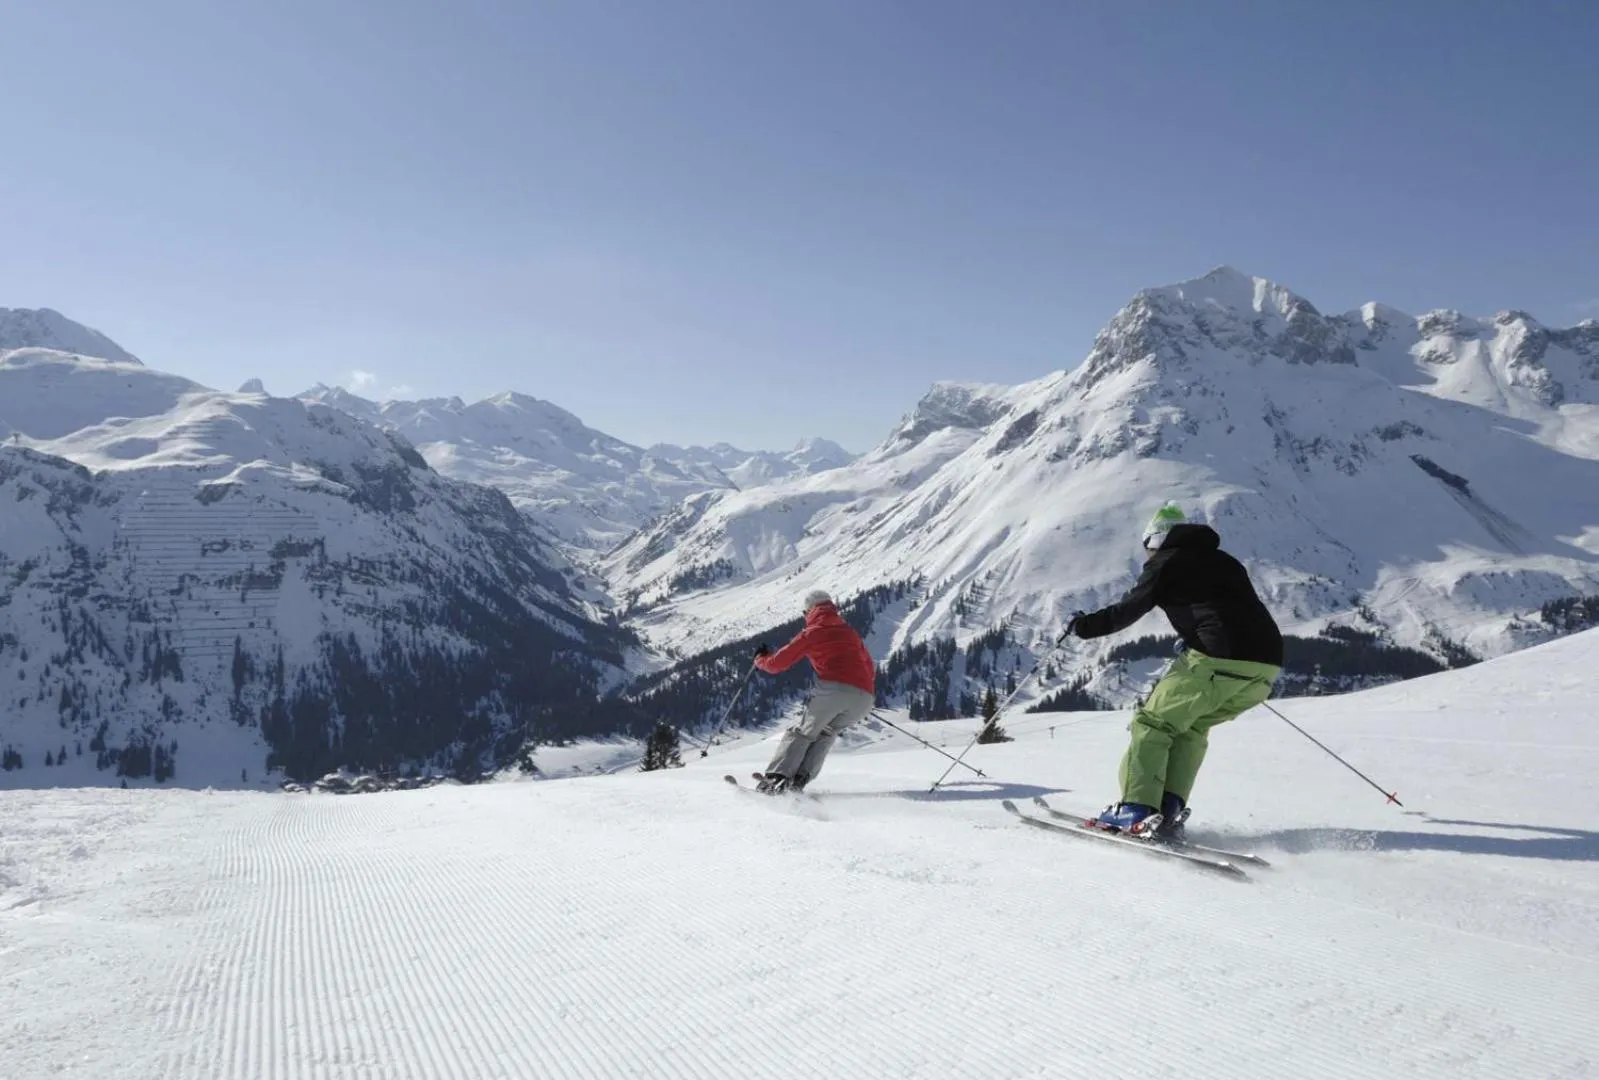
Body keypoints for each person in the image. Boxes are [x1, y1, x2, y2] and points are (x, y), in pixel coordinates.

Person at [1066, 504, 1282, 837]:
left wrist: (1082, 626)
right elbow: (1225, 610)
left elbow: (1128, 609)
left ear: (1156, 539)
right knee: (1190, 728)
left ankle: (1136, 809)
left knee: (1152, 724)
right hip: (1265, 666)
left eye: (1147, 546)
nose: (1146, 554)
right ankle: (1166, 809)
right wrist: (1194, 637)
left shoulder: (1167, 561)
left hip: (1215, 659)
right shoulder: (1226, 561)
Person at [751, 589, 876, 794]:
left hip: (834, 690)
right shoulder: (849, 633)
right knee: (826, 733)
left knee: (803, 733)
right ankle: (799, 780)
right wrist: (856, 690)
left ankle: (776, 779)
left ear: (810, 611)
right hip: (865, 696)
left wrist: (759, 660)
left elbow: (777, 664)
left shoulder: (812, 633)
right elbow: (869, 668)